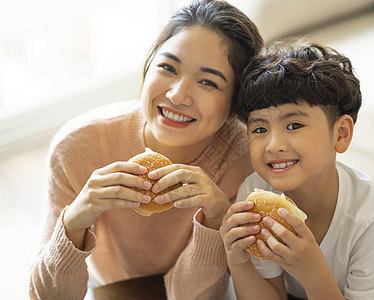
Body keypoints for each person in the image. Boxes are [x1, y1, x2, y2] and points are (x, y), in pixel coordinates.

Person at [29, 1, 263, 299]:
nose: (178, 95)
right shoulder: (76, 146)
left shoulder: (246, 159)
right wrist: (74, 220)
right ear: (147, 67)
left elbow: (191, 296)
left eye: (207, 82)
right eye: (168, 67)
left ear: (235, 104)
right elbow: (46, 297)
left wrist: (216, 218)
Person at [220, 38, 374, 299]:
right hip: (366, 274)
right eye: (260, 129)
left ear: (340, 133)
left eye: (294, 125)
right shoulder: (254, 192)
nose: (273, 145)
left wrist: (313, 270)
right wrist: (237, 261)